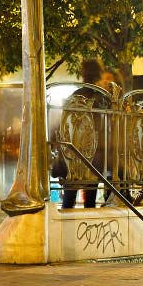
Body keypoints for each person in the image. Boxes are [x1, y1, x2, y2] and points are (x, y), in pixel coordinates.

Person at [59, 59, 105, 210]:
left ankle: (65, 230)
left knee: (69, 197)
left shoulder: (74, 96)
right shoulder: (100, 98)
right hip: (92, 155)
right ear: (99, 74)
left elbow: (65, 125)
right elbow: (101, 128)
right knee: (90, 200)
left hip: (73, 153)